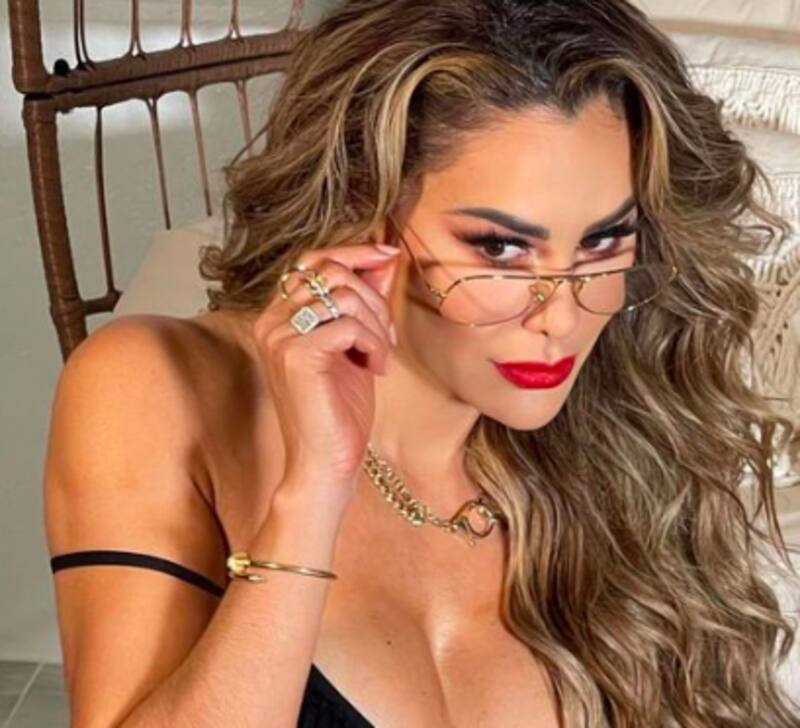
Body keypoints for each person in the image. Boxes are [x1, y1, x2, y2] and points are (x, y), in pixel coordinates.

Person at [43, 0, 800, 726]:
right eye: (501, 248)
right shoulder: (155, 387)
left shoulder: (619, 439)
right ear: (361, 209)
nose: (562, 317)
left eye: (601, 242)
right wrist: (312, 497)